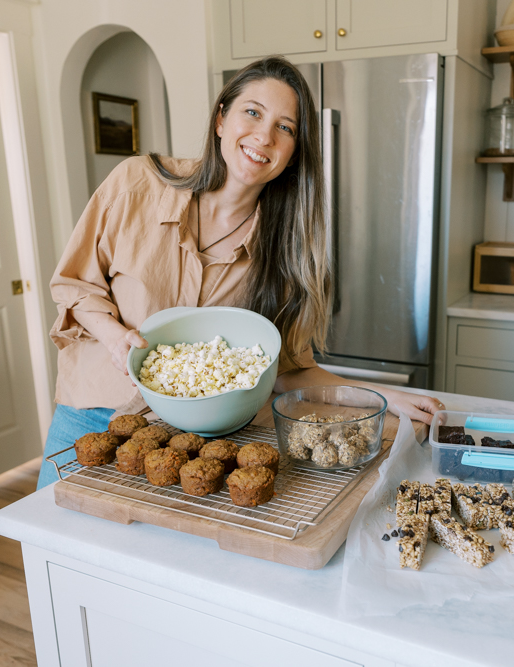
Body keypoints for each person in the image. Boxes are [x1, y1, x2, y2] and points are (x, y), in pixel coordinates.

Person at [38, 56, 444, 489]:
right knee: (46, 538)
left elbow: (287, 368)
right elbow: (76, 285)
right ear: (220, 120)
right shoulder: (137, 183)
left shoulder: (284, 253)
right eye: (252, 112)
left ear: (292, 154)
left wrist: (382, 399)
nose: (264, 136)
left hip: (186, 440)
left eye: (285, 128)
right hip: (90, 410)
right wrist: (116, 338)